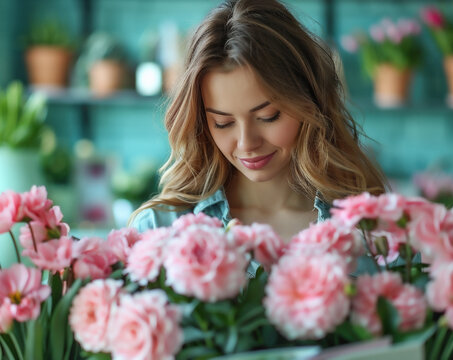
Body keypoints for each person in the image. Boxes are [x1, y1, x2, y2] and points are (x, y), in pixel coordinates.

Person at [130, 0, 387, 240]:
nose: (246, 143)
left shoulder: (371, 229)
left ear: (310, 102)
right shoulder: (158, 230)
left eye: (268, 117)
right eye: (223, 123)